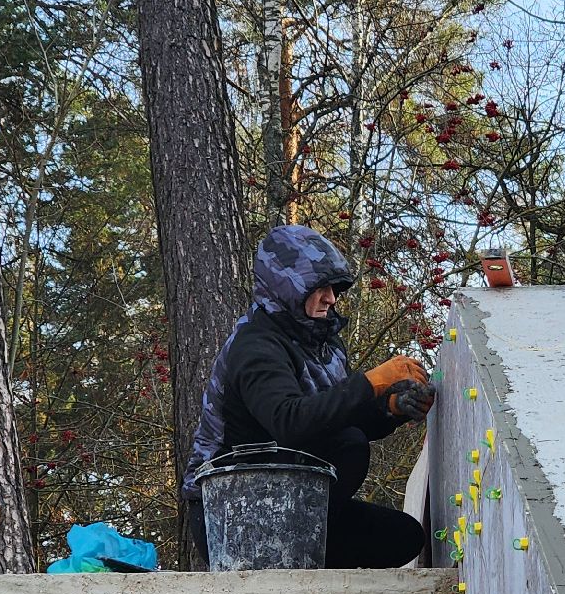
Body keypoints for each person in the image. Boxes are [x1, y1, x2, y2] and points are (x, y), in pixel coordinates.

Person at [183, 224, 434, 569]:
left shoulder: (323, 344)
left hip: (288, 499)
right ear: (288, 287)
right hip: (227, 512)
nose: (331, 298)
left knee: (404, 536)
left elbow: (336, 411)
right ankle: (278, 563)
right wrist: (370, 381)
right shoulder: (255, 345)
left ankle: (298, 557)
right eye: (320, 288)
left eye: (333, 288)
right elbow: (292, 421)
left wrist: (390, 407)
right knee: (348, 445)